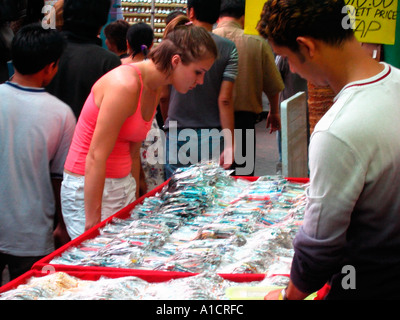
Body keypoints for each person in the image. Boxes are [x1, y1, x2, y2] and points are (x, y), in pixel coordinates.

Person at [258, 0, 400, 300]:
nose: (291, 69)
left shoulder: (337, 130)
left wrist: (288, 297)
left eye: (286, 58)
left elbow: (319, 247)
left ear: (306, 47)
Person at [61, 22, 218, 240]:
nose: (200, 81)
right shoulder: (125, 85)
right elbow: (96, 156)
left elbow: (133, 152)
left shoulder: (153, 87)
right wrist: (92, 224)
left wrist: (134, 202)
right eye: (198, 72)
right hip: (89, 187)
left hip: (120, 184)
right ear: (176, 61)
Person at [0, 24, 76, 284]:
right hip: (32, 232)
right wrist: (63, 227)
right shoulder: (61, 113)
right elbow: (60, 180)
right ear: (50, 67)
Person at [161, 0, 238, 179]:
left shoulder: (173, 41)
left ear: (191, 12)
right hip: (212, 134)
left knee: (175, 197)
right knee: (208, 199)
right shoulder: (228, 48)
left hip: (176, 131)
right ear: (218, 16)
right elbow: (225, 100)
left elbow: (163, 96)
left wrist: (169, 123)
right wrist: (230, 144)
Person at [213, 0, 284, 176]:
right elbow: (273, 85)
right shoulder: (257, 42)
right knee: (242, 179)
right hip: (244, 123)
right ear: (243, 17)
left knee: (209, 182)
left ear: (218, 16)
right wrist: (274, 112)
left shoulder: (207, 40)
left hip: (209, 122)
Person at [46, 0, 121, 119]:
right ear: (102, 20)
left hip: (43, 133)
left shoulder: (44, 50)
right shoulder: (108, 62)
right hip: (86, 135)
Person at [121, 22, 165, 196]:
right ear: (152, 44)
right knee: (152, 185)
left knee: (129, 181)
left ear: (127, 43)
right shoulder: (154, 69)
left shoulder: (119, 66)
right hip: (150, 131)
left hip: (125, 129)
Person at [275, 55, 308, 174]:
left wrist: (273, 111)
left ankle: (284, 176)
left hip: (290, 111)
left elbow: (275, 80)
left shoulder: (284, 54)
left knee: (286, 154)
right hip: (295, 110)